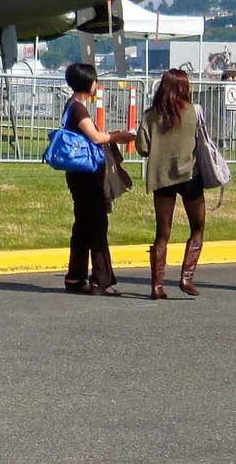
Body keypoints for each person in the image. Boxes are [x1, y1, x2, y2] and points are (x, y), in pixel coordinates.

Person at [60, 62, 135, 295]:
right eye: (94, 81)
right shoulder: (78, 109)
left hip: (79, 174)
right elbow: (95, 137)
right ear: (87, 83)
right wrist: (117, 136)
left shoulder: (73, 106)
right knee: (97, 225)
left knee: (83, 226)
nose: (96, 84)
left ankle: (75, 277)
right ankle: (101, 280)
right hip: (87, 175)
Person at [136, 69, 205, 299]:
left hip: (161, 177)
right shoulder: (193, 112)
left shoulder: (150, 115)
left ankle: (157, 285)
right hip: (190, 175)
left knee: (162, 233)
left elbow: (142, 148)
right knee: (197, 227)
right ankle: (186, 278)